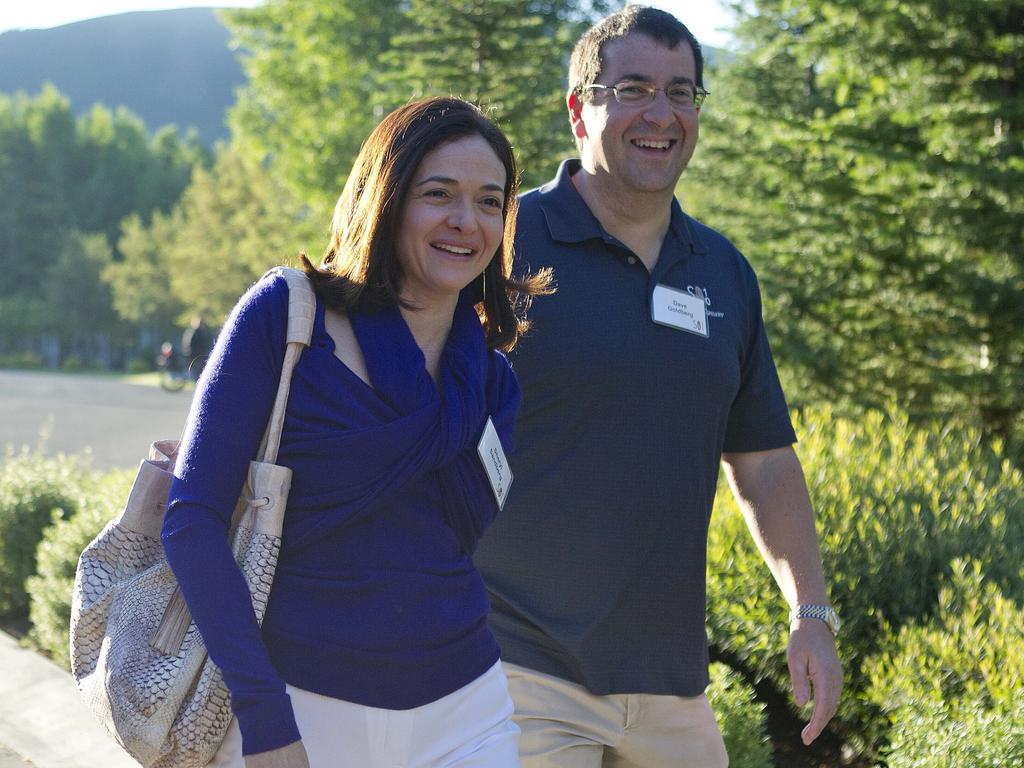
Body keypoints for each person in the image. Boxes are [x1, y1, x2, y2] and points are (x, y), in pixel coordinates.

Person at [474, 6, 844, 767]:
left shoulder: (724, 272)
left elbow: (765, 460)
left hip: (672, 684)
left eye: (682, 92)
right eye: (635, 88)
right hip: (516, 664)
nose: (661, 114)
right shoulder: (500, 240)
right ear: (580, 108)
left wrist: (810, 613)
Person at [162, 97, 549, 768]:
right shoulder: (285, 318)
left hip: (467, 709)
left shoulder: (492, 383)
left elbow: (454, 543)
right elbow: (191, 520)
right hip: (299, 708)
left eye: (490, 202)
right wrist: (265, 720)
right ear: (389, 197)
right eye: (439, 194)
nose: (467, 221)